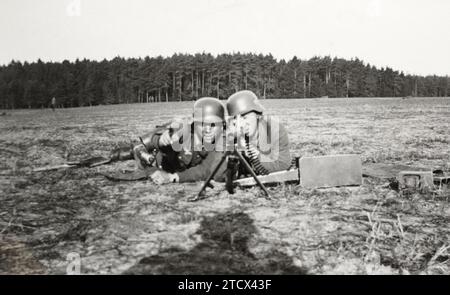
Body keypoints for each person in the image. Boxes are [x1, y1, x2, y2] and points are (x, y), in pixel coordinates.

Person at [131, 97, 227, 184]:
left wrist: (173, 177)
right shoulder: (184, 130)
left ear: (222, 126)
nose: (207, 130)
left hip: (170, 172)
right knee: (124, 153)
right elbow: (150, 140)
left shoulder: (223, 142)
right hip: (155, 160)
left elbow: (204, 170)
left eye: (213, 125)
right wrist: (162, 140)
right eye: (202, 124)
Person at [226, 90, 291, 176]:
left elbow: (283, 165)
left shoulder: (275, 130)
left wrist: (254, 153)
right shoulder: (230, 134)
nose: (242, 124)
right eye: (236, 119)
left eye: (245, 118)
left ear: (258, 116)